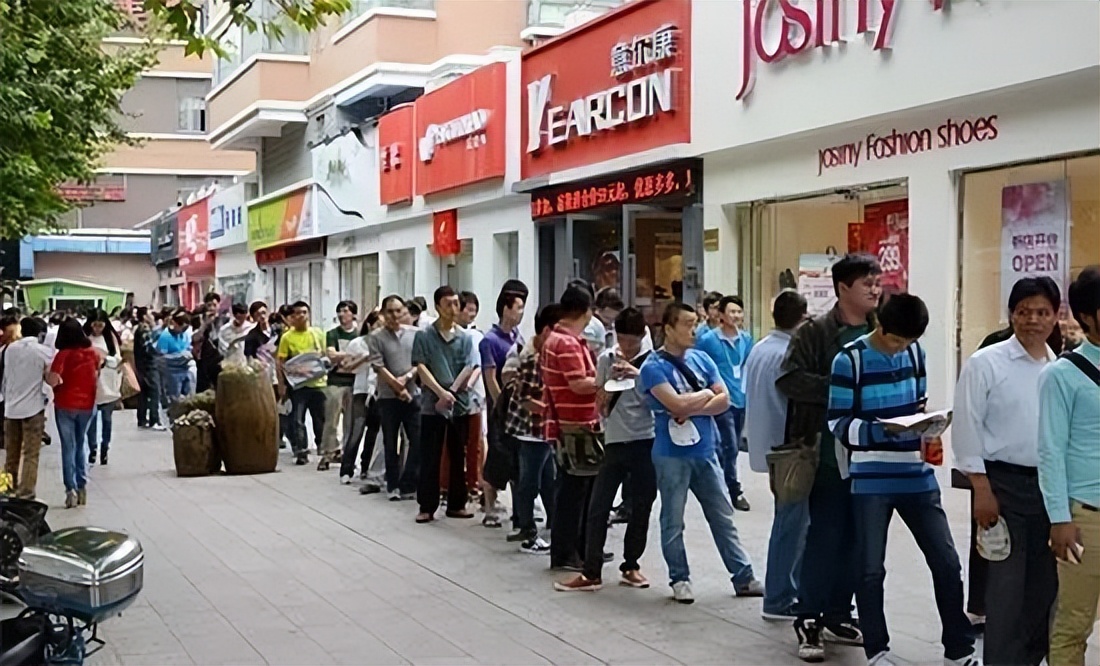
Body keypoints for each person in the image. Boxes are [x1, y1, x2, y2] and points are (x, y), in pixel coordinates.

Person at [828, 293, 977, 666]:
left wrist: (929, 424)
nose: (901, 349)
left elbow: (918, 405)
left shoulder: (915, 353)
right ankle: (877, 650)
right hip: (870, 477)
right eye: (896, 341)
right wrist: (884, 432)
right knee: (870, 568)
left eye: (909, 342)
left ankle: (958, 650)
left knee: (946, 561)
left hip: (916, 472)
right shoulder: (850, 360)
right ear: (880, 326)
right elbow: (838, 423)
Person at [777, 253, 880, 661]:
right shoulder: (815, 333)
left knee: (859, 538)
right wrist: (840, 388)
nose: (875, 288)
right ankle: (808, 618)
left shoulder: (881, 329)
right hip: (826, 452)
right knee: (825, 535)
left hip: (872, 452)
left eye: (877, 281)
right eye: (865, 282)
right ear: (842, 289)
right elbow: (789, 379)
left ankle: (839, 612)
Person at [953, 277, 1060, 666]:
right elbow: (967, 428)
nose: (1033, 319)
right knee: (1005, 589)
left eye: (1042, 312)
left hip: (1049, 491)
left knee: (1044, 589)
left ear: (1055, 317)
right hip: (1001, 488)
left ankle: (1031, 660)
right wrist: (981, 488)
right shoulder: (986, 363)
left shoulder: (1057, 368)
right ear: (1011, 314)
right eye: (1024, 311)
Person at [638, 302, 763, 604]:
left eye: (695, 323)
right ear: (668, 328)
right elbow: (675, 404)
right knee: (673, 519)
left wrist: (696, 403)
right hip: (671, 453)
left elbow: (724, 400)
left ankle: (743, 576)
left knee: (722, 516)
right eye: (686, 324)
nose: (693, 330)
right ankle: (679, 577)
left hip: (706, 450)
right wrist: (705, 395)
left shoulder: (702, 359)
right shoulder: (653, 367)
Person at [555, 307, 657, 592]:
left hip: (645, 440)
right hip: (613, 440)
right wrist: (611, 385)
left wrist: (637, 375)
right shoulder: (606, 359)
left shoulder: (653, 363)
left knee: (641, 505)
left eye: (632, 341)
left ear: (642, 337)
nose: (626, 346)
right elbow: (600, 402)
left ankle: (631, 564)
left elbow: (658, 402)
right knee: (598, 506)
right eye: (622, 339)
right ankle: (591, 570)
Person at [1039, 266, 1100, 666]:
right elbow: (1050, 451)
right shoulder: (1061, 375)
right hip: (1086, 517)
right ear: (1089, 316)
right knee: (1074, 623)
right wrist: (1060, 519)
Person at [744, 289, 810, 621]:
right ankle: (780, 597)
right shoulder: (787, 353)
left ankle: (787, 591)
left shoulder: (760, 348)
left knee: (791, 521)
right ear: (804, 317)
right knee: (792, 523)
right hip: (788, 451)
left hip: (767, 445)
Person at [542, 285, 600, 571]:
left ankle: (576, 549)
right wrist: (605, 381)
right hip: (575, 426)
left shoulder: (560, 339)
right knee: (575, 493)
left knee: (574, 490)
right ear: (584, 311)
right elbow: (578, 384)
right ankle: (569, 552)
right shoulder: (565, 343)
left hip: (571, 425)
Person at [412, 286, 477, 523]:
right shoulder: (425, 336)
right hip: (432, 403)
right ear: (438, 306)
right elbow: (421, 366)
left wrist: (451, 391)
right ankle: (427, 505)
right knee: (430, 455)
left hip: (458, 402)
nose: (453, 308)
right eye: (448, 304)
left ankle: (457, 503)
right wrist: (440, 392)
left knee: (458, 454)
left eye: (456, 303)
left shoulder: (465, 337)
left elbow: (469, 367)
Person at [504, 303, 560, 555]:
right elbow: (525, 399)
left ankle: (556, 525)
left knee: (549, 479)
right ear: (547, 330)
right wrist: (552, 411)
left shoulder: (547, 354)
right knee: (530, 482)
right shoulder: (530, 358)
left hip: (543, 430)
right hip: (531, 430)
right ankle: (528, 530)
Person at [696, 295, 754, 512]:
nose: (736, 315)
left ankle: (718, 484)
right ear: (721, 314)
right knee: (729, 445)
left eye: (739, 311)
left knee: (731, 446)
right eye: (732, 311)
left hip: (741, 397)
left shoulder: (747, 339)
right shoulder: (709, 339)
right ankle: (733, 489)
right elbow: (698, 365)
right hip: (721, 400)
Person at [481, 286, 527, 530]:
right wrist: (503, 406)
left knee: (516, 459)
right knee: (497, 458)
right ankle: (489, 507)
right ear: (506, 308)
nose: (521, 312)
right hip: (499, 410)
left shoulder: (517, 336)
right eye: (518, 307)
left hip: (516, 411)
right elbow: (490, 377)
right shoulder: (489, 340)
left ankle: (519, 511)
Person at [367, 295, 421, 498]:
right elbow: (378, 366)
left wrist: (407, 378)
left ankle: (409, 483)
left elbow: (419, 362)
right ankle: (392, 485)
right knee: (390, 442)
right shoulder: (376, 337)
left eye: (399, 310)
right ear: (383, 313)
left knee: (417, 441)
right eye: (390, 311)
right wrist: (398, 387)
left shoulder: (415, 334)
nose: (395, 315)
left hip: (413, 393)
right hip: (388, 397)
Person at [47, 319, 100, 508]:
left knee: (68, 448)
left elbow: (53, 380)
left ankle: (70, 491)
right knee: (80, 445)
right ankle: (82, 486)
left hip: (65, 405)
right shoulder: (92, 353)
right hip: (87, 405)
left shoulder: (63, 355)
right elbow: (96, 374)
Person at [2, 317, 51, 499]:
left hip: (10, 408)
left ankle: (7, 488)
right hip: (33, 409)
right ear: (40, 333)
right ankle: (26, 492)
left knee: (10, 454)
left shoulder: (9, 350)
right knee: (31, 454)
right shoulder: (43, 351)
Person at [277, 301, 328, 466]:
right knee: (297, 419)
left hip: (318, 384)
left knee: (320, 418)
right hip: (298, 386)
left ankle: (322, 447)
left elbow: (325, 356)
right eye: (297, 313)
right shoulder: (287, 337)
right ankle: (301, 451)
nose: (301, 316)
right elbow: (281, 362)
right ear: (292, 317)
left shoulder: (318, 334)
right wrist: (281, 385)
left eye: (304, 312)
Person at [339, 314, 385, 489]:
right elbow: (346, 366)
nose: (379, 328)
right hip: (361, 390)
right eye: (377, 325)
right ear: (370, 325)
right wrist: (366, 357)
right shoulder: (357, 343)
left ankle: (366, 467)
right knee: (357, 429)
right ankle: (346, 469)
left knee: (374, 431)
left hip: (378, 392)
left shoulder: (384, 343)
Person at [454, 291, 486, 512]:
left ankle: (474, 482)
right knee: (453, 444)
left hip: (474, 394)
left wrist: (469, 384)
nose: (471, 314)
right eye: (468, 309)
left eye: (475, 309)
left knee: (476, 442)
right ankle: (449, 485)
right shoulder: (450, 334)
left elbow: (479, 364)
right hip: (452, 394)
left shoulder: (478, 336)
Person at [320, 300, 359, 471]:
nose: (342, 314)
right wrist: (351, 355)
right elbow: (331, 354)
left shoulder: (358, 334)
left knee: (350, 422)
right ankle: (328, 452)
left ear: (353, 314)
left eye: (346, 310)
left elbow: (363, 355)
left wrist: (343, 356)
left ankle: (347, 454)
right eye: (340, 311)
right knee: (331, 419)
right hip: (335, 381)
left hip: (354, 382)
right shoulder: (332, 333)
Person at [84, 311, 122, 466]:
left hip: (108, 382)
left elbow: (118, 358)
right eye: (95, 325)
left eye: (101, 325)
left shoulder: (110, 338)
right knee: (90, 420)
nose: (98, 329)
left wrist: (105, 359)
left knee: (107, 419)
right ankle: (92, 447)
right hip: (91, 383)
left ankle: (105, 447)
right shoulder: (85, 338)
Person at [132, 307, 164, 431]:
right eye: (150, 314)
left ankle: (142, 419)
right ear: (145, 316)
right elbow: (148, 348)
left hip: (142, 365)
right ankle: (154, 419)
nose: (153, 316)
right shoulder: (144, 329)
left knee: (144, 393)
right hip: (149, 365)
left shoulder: (140, 328)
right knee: (155, 391)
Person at [156, 311, 193, 406]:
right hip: (171, 372)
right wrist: (178, 357)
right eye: (182, 328)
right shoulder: (165, 336)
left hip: (184, 369)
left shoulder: (183, 335)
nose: (183, 331)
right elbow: (160, 358)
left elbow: (187, 347)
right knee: (173, 401)